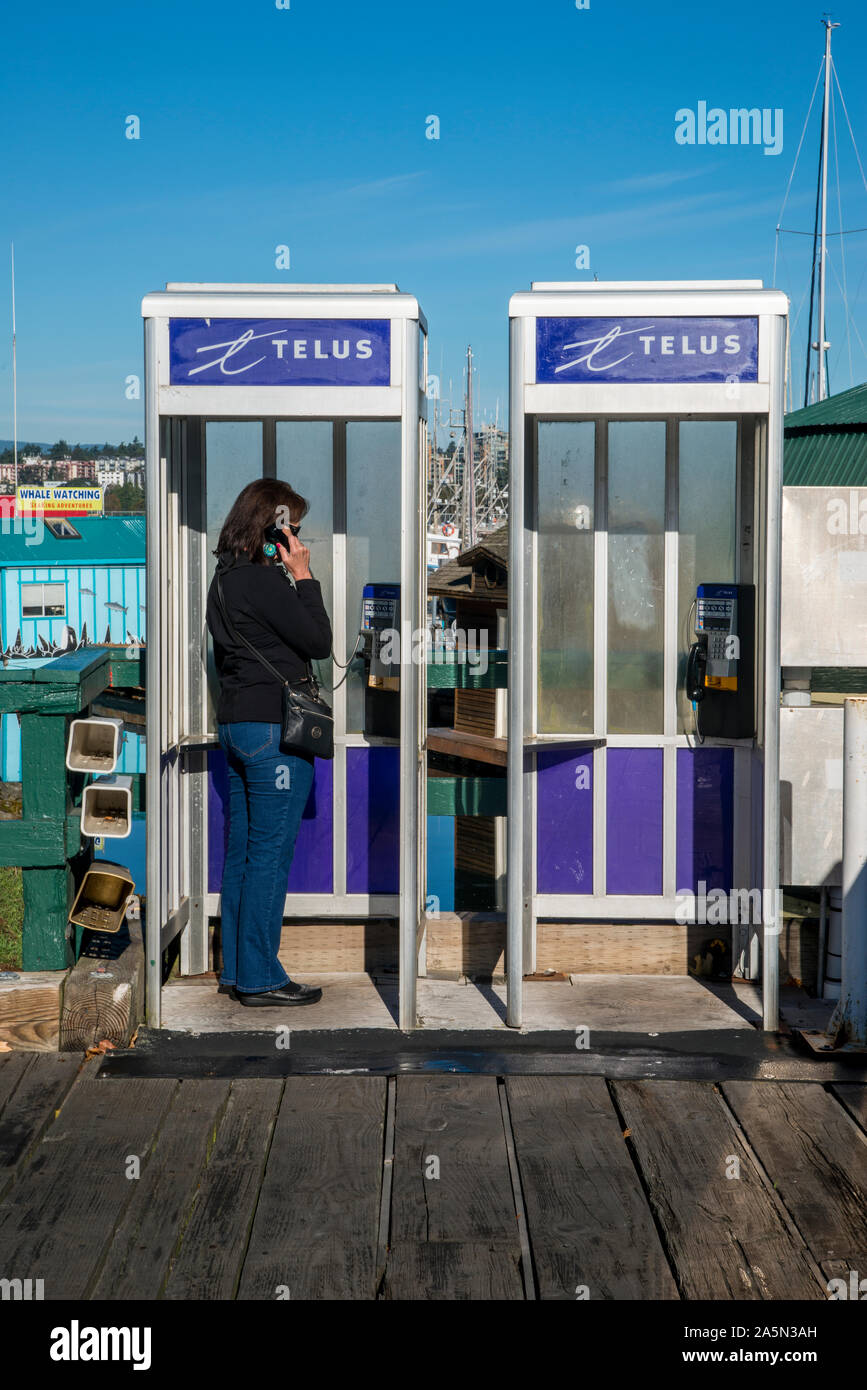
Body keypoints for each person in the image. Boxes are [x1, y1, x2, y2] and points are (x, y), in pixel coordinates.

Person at [205, 478, 332, 1006]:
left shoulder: (222, 581)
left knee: (242, 854)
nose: (297, 539)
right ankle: (260, 977)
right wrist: (303, 577)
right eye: (293, 529)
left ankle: (238, 970)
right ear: (272, 528)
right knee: (269, 855)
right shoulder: (265, 581)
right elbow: (319, 641)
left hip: (237, 729)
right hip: (274, 733)